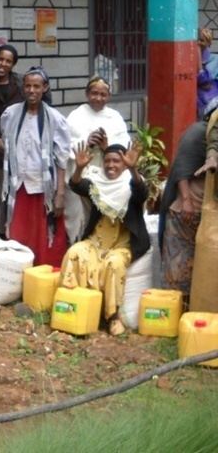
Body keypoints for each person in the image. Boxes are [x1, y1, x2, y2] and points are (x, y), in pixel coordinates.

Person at [61, 142, 148, 335]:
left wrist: (133, 169)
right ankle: (74, 305)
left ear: (125, 163)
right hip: (96, 241)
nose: (111, 165)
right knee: (75, 252)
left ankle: (112, 316)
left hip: (122, 244)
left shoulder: (131, 183)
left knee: (114, 264)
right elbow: (76, 185)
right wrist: (79, 168)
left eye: (116, 161)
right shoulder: (97, 183)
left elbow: (141, 193)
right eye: (107, 161)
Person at [0, 67, 70, 265]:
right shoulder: (11, 114)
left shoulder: (55, 119)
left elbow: (62, 159)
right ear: (23, 88)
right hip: (19, 187)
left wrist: (59, 195)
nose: (32, 90)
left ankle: (43, 278)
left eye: (36, 86)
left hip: (44, 191)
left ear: (45, 88)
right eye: (28, 86)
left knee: (44, 237)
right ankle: (20, 278)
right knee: (20, 235)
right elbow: (5, 147)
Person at [0, 44, 52, 236]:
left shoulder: (21, 83)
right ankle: (1, 233)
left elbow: (41, 104)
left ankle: (20, 231)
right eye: (0, 59)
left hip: (22, 146)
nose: (3, 64)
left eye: (8, 61)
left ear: (14, 64)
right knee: (0, 191)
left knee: (20, 191)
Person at [159, 98, 218, 295]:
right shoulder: (198, 133)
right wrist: (187, 201)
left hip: (207, 213)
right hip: (186, 210)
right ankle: (176, 309)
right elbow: (182, 169)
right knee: (180, 266)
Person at [65, 76, 130, 242]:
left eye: (103, 94)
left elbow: (125, 145)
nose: (98, 98)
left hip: (106, 174)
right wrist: (86, 142)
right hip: (80, 175)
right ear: (87, 94)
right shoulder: (76, 116)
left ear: (108, 96)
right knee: (80, 216)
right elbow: (65, 145)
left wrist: (107, 146)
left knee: (102, 214)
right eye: (94, 93)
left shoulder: (115, 117)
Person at [197, 28, 218, 119]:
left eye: (202, 40)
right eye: (196, 40)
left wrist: (198, 57)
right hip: (195, 103)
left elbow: (205, 82)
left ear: (209, 43)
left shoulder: (215, 59)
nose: (198, 43)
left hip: (210, 104)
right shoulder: (188, 59)